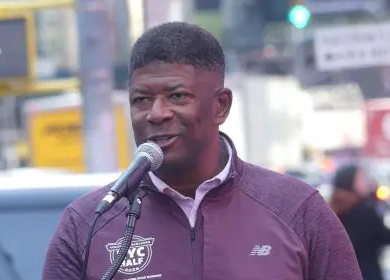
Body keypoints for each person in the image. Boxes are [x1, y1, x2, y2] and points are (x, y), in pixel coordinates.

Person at [42, 22, 362, 280]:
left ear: (220, 105)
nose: (156, 113)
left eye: (177, 96)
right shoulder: (87, 223)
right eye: (141, 100)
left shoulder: (297, 210)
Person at [330, 163, 390, 280]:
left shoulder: (334, 208)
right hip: (367, 273)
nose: (366, 181)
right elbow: (384, 236)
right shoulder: (364, 210)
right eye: (361, 179)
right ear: (350, 183)